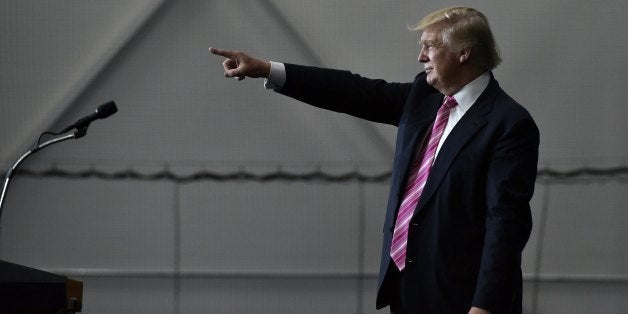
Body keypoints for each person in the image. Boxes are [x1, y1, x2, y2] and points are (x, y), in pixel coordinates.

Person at [209, 6, 539, 314]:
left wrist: (485, 306)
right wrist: (267, 69)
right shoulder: (423, 97)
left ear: (463, 52)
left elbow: (506, 224)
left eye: (430, 46)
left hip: (464, 298)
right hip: (406, 291)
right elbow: (355, 91)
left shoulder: (508, 124)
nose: (421, 56)